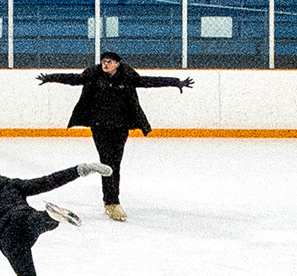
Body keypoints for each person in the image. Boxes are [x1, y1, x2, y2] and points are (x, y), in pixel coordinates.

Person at [38, 52, 193, 219]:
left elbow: (150, 81)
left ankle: (111, 201)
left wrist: (176, 82)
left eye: (109, 62)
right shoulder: (93, 75)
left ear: (117, 64)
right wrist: (50, 77)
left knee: (115, 163)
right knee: (107, 162)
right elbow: (73, 79)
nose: (105, 64)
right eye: (103, 61)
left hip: (121, 128)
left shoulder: (127, 76)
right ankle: (112, 202)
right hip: (99, 127)